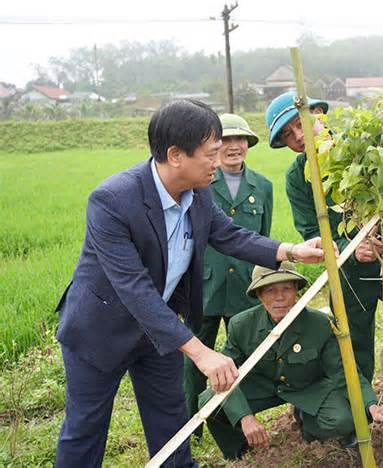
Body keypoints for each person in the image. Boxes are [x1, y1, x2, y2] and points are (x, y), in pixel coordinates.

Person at [54, 99, 326, 467]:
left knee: (170, 422)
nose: (218, 162)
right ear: (176, 155)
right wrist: (201, 352)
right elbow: (133, 287)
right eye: (210, 153)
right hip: (100, 330)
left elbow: (229, 235)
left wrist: (292, 250)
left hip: (159, 331)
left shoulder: (198, 192)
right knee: (85, 428)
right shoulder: (112, 201)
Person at [266, 91, 383, 427]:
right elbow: (312, 229)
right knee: (354, 345)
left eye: (300, 124)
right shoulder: (299, 177)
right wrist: (349, 246)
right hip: (350, 274)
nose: (298, 136)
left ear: (320, 114)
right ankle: (363, 408)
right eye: (287, 135)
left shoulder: (367, 149)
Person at [199, 262, 383, 459]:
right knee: (210, 401)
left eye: (287, 288)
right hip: (264, 387)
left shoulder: (320, 324)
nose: (280, 297)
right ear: (259, 295)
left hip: (308, 387)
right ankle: (241, 451)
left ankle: (307, 421)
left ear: (296, 290)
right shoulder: (241, 325)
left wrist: (370, 404)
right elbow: (226, 373)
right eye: (271, 290)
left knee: (342, 421)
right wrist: (245, 417)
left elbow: (343, 372)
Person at [183, 113, 274, 434]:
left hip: (244, 288)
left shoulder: (263, 186)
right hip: (205, 287)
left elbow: (261, 238)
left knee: (246, 356)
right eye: (227, 140)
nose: (235, 147)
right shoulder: (199, 184)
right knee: (195, 357)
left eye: (241, 140)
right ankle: (190, 423)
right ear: (215, 146)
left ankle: (240, 418)